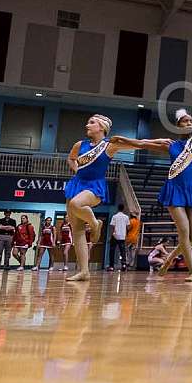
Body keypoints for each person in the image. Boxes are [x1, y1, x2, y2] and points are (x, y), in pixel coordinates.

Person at [113, 109, 192, 282]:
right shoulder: (170, 144)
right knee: (184, 232)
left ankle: (169, 260)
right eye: (185, 121)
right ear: (178, 126)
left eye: (191, 120)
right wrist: (123, 139)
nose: (189, 123)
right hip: (175, 189)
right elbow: (143, 144)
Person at [63, 114, 128, 281]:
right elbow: (71, 159)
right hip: (77, 183)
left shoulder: (109, 146)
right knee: (76, 230)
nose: (87, 125)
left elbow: (135, 145)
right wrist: (76, 169)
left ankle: (94, 223)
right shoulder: (80, 145)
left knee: (77, 204)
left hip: (94, 185)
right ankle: (84, 271)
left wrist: (156, 144)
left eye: (91, 123)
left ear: (101, 128)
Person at [107, 204, 130, 272]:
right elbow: (128, 227)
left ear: (118, 208)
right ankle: (124, 265)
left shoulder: (114, 216)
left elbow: (112, 227)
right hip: (122, 236)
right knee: (122, 251)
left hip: (115, 236)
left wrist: (111, 235)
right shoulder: (126, 217)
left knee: (112, 251)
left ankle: (111, 266)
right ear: (123, 209)